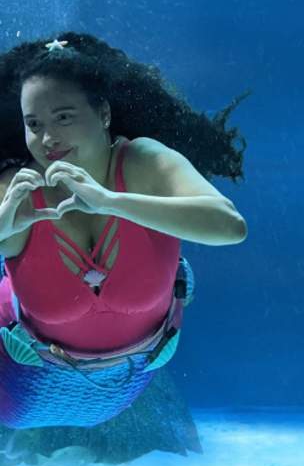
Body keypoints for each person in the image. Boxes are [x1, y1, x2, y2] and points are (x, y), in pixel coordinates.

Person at [0, 33, 247, 429]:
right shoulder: (18, 187)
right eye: (34, 123)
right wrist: (5, 225)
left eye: (64, 117)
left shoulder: (143, 162)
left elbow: (231, 226)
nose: (47, 138)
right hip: (17, 372)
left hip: (128, 377)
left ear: (103, 114)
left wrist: (111, 202)